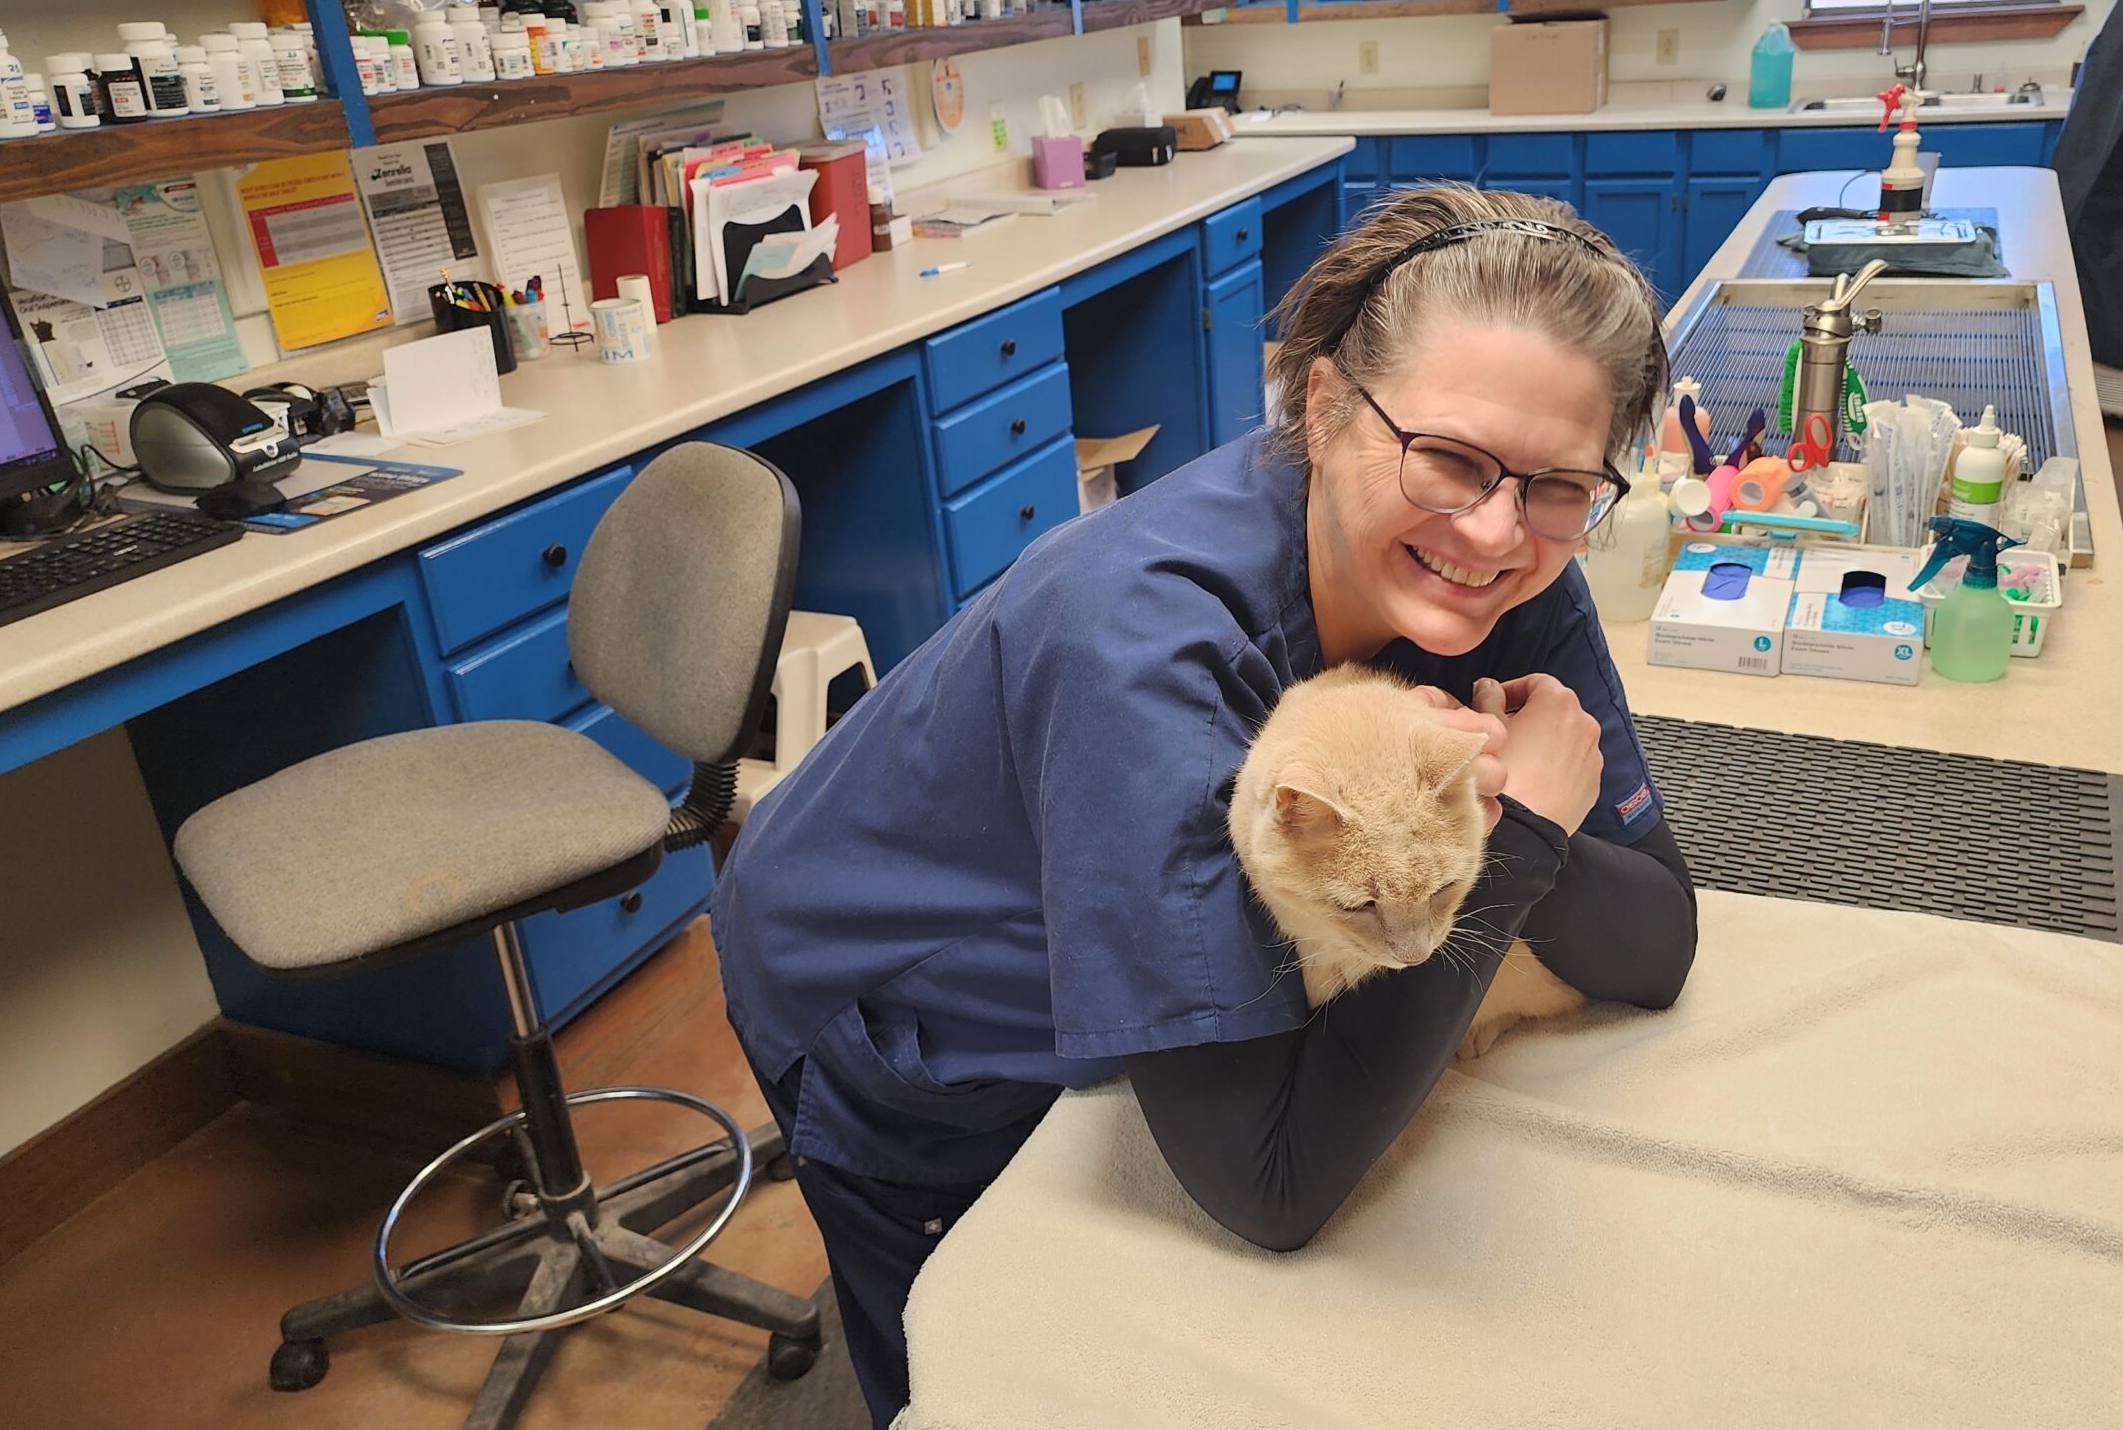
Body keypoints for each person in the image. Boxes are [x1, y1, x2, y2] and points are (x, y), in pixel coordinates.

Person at [714, 184, 1701, 1427]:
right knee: (982, 1353)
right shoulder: (1154, 654)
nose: (1496, 528)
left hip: (1081, 889)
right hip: (898, 979)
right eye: (1448, 457)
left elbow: (1658, 943)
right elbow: (1268, 1185)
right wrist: (1526, 835)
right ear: (1323, 405)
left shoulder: (1500, 574)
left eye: (1558, 485)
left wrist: (1511, 825)